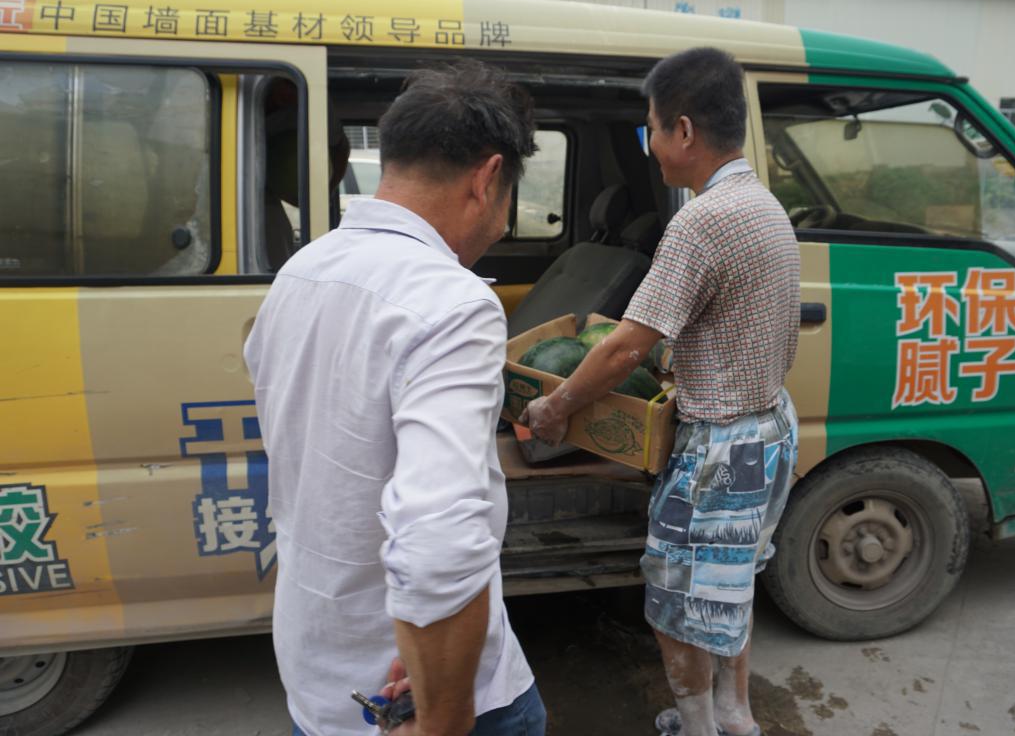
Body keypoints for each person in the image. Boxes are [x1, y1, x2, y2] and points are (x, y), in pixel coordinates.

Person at [244, 62, 545, 736]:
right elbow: (439, 539)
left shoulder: (304, 269)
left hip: (319, 669)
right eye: (505, 202)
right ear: (487, 179)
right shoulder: (450, 301)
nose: (499, 225)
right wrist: (443, 718)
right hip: (412, 687)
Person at [522, 47, 801, 736]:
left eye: (649, 127)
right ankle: (736, 717)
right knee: (727, 590)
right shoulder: (762, 204)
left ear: (681, 129)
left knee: (677, 598)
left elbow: (622, 350)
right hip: (769, 429)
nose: (649, 146)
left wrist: (556, 406)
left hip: (719, 449)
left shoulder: (700, 222)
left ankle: (700, 727)